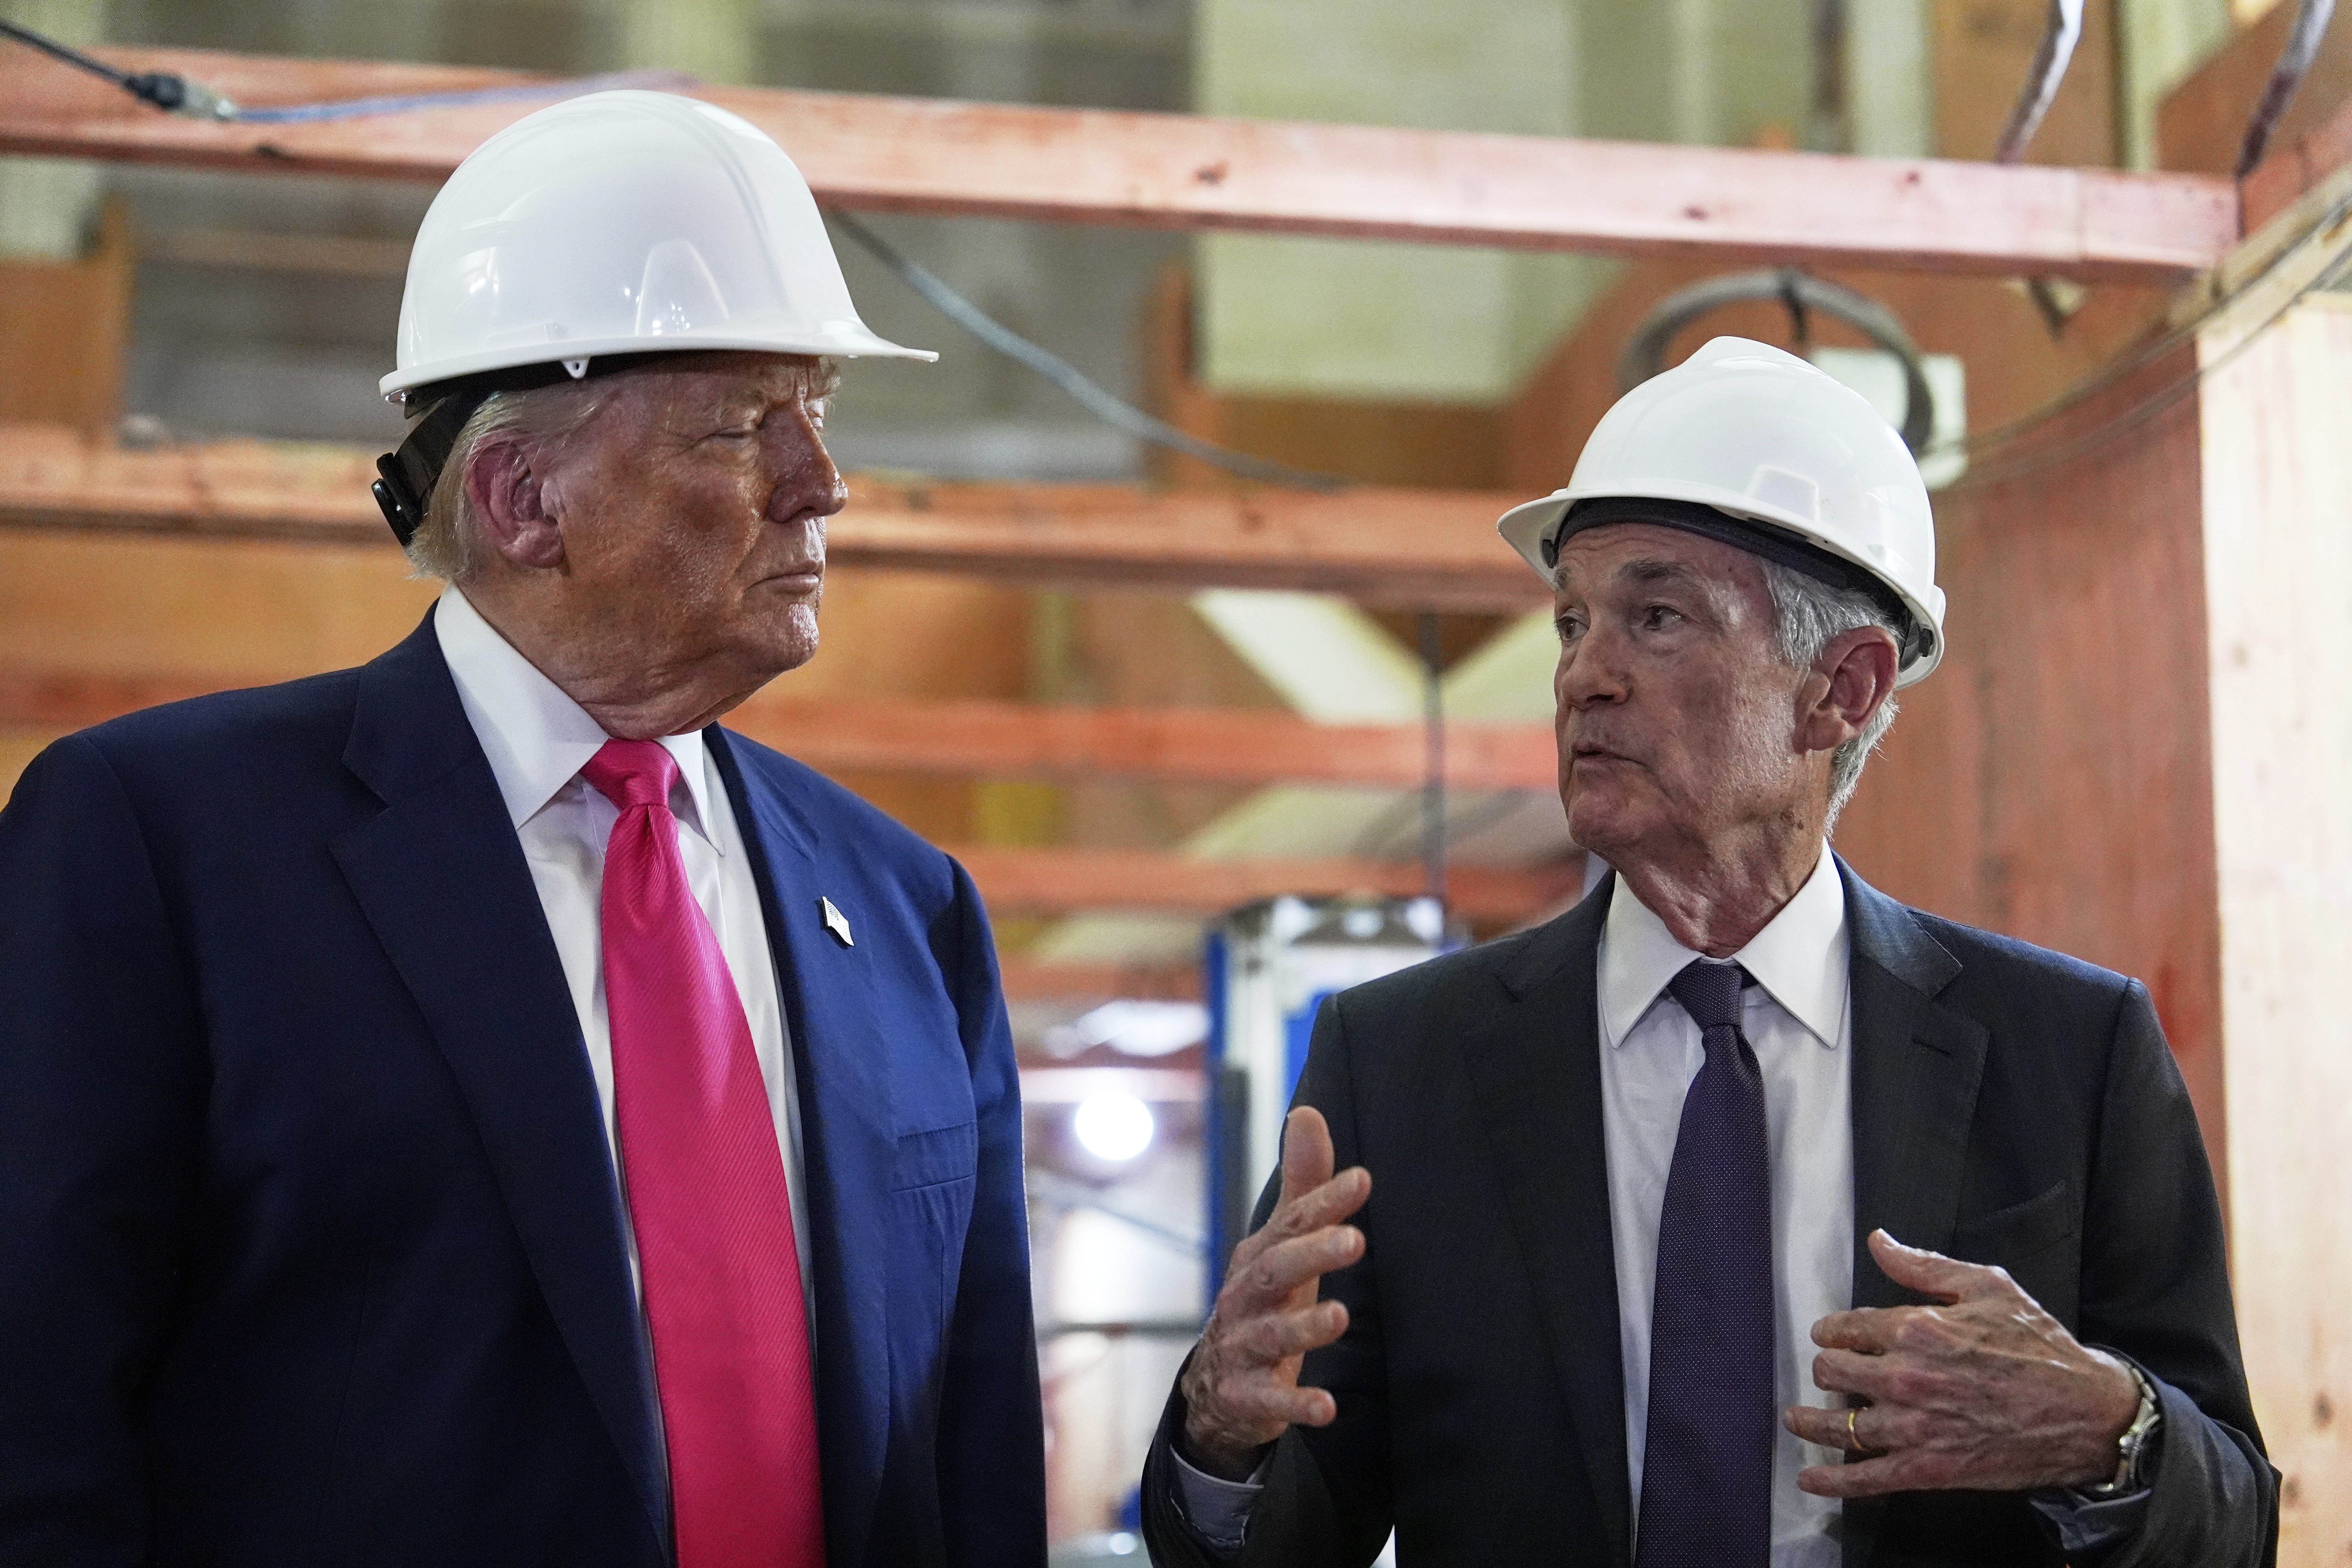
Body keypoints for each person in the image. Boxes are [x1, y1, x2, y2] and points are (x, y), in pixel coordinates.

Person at [0, 92, 1044, 1568]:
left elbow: (973, 1454)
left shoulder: (909, 906)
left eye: (822, 414)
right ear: (522, 495)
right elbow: (32, 1428)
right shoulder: (159, 847)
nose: (825, 485)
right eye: (750, 425)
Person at [1139, 337, 2276, 1566]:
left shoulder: (2071, 1053)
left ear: (1841, 690)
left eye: (1658, 616)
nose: (1583, 676)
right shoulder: (1399, 1062)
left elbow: (2240, 1523)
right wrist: (1221, 1437)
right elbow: (1286, 1534)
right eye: (1574, 621)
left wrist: (2112, 1431)